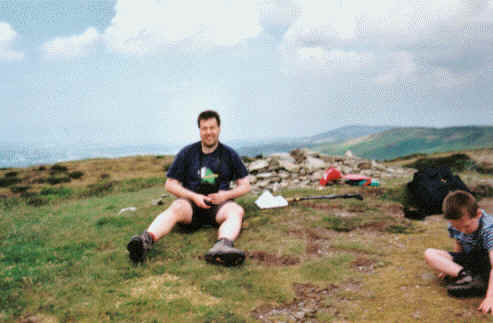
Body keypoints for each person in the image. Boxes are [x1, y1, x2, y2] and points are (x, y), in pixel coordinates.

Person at [127, 110, 251, 266]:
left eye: (212, 128)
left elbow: (245, 186)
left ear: (219, 129)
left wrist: (225, 196)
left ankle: (222, 247)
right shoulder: (187, 153)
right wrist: (193, 197)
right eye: (204, 128)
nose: (208, 132)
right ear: (199, 130)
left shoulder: (229, 154)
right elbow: (170, 184)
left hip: (219, 206)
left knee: (236, 211)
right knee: (176, 206)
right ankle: (145, 241)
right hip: (190, 208)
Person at [424, 190, 493, 314]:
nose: (462, 231)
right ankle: (467, 277)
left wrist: (490, 297)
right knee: (429, 253)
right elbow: (459, 243)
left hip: (487, 262)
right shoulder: (456, 224)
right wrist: (451, 268)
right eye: (457, 227)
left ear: (477, 214)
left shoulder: (488, 228)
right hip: (471, 260)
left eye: (466, 226)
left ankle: (482, 283)